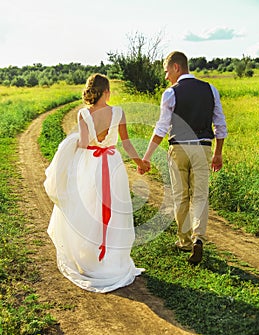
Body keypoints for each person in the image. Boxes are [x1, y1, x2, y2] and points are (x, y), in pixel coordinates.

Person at [44, 73, 148, 292]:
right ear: (107, 91)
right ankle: (111, 260)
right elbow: (127, 144)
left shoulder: (83, 114)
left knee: (89, 210)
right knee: (114, 210)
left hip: (90, 165)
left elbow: (82, 145)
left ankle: (91, 259)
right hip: (112, 166)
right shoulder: (118, 113)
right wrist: (140, 162)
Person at [140, 51, 227, 265]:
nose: (166, 76)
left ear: (177, 67)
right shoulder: (211, 90)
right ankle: (198, 238)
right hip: (204, 148)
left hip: (179, 148)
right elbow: (220, 125)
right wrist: (218, 153)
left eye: (167, 70)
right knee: (200, 196)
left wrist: (147, 156)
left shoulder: (171, 93)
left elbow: (161, 128)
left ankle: (184, 241)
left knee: (181, 196)